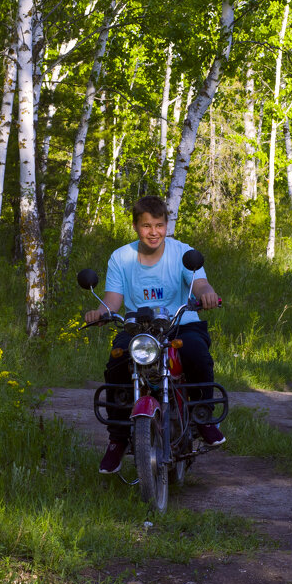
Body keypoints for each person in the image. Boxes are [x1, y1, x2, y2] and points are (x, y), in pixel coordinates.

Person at [84, 196, 225, 474]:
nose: (153, 232)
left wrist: (207, 294)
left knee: (196, 352)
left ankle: (203, 417)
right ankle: (118, 438)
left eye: (159, 225)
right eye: (146, 225)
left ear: (167, 225)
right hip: (139, 328)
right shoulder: (121, 257)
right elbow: (113, 300)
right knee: (117, 364)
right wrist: (100, 312)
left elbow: (199, 283)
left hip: (180, 323)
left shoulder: (183, 253)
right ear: (136, 226)